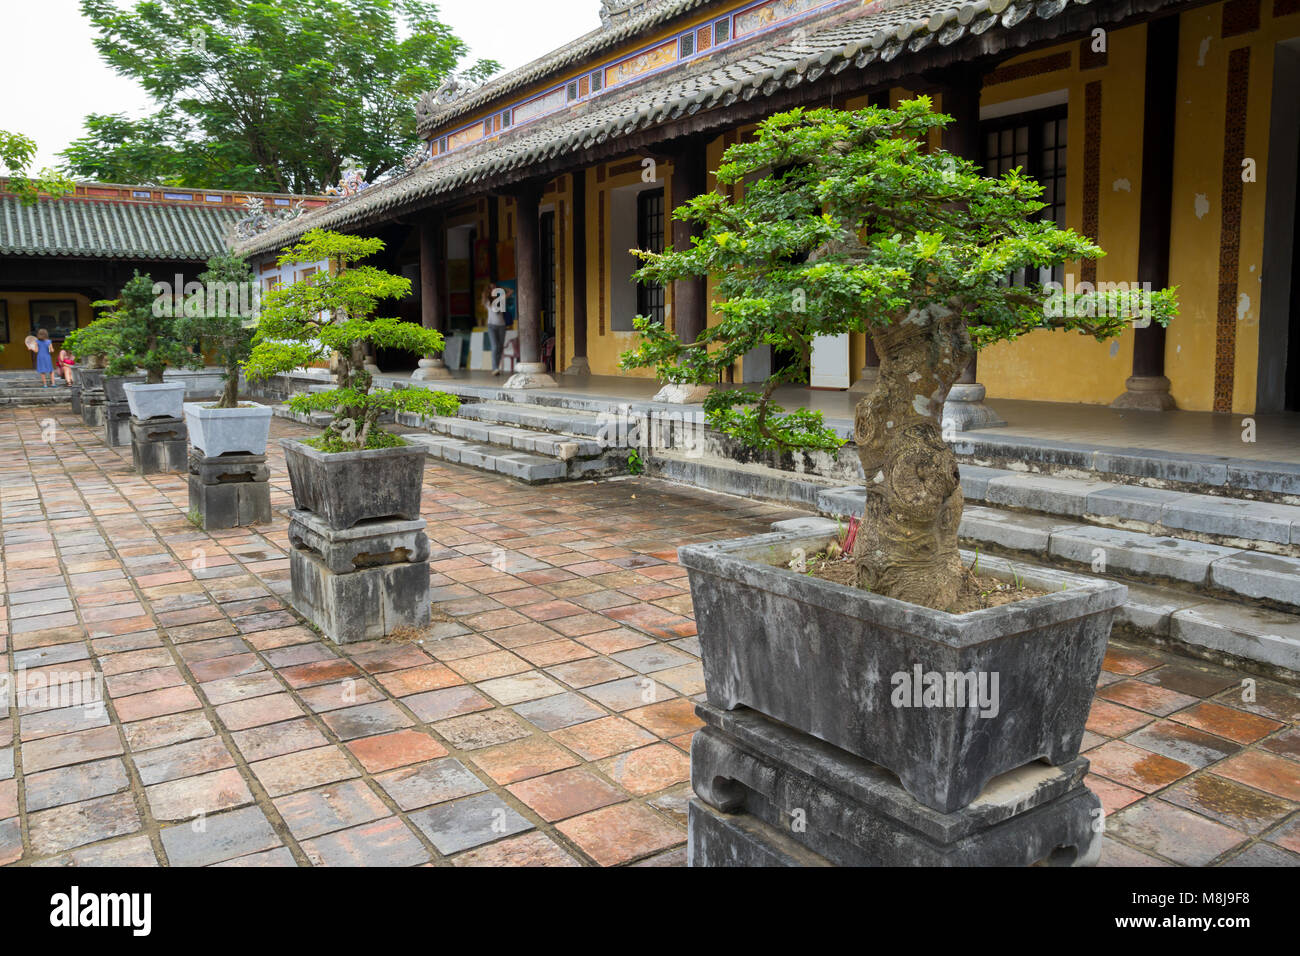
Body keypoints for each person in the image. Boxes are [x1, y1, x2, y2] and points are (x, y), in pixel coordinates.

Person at [481, 283, 514, 376]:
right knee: (495, 346)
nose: (494, 289)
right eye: (492, 288)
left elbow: (511, 291)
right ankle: (495, 368)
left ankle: (497, 368)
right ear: (489, 290)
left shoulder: (501, 299)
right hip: (491, 326)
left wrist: (501, 288)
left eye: (495, 288)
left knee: (500, 347)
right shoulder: (487, 300)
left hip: (502, 326)